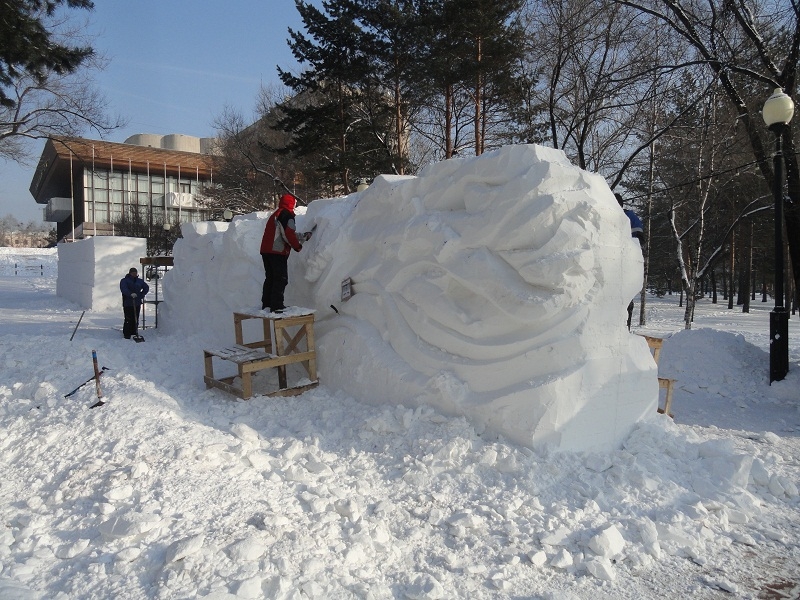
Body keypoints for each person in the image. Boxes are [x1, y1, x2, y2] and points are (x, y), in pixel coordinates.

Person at [260, 193, 310, 312]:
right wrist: (297, 246)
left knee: (270, 277)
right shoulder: (287, 215)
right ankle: (277, 305)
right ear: (291, 204)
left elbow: (283, 232)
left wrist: (301, 236)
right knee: (281, 278)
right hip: (277, 251)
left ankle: (267, 304)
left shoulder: (276, 214)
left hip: (266, 251)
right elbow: (288, 234)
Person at [616, 193, 644, 330]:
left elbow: (638, 240)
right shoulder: (602, 214)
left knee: (625, 299)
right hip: (611, 266)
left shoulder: (629, 216)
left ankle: (624, 331)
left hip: (625, 264)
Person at [119, 267, 149, 339]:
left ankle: (134, 331)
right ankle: (127, 333)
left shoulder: (139, 281)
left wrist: (141, 295)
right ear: (130, 273)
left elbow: (146, 287)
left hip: (137, 302)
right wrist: (130, 294)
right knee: (128, 318)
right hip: (128, 303)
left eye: (135, 273)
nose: (134, 274)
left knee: (136, 317)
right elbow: (124, 289)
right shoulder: (124, 280)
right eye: (133, 273)